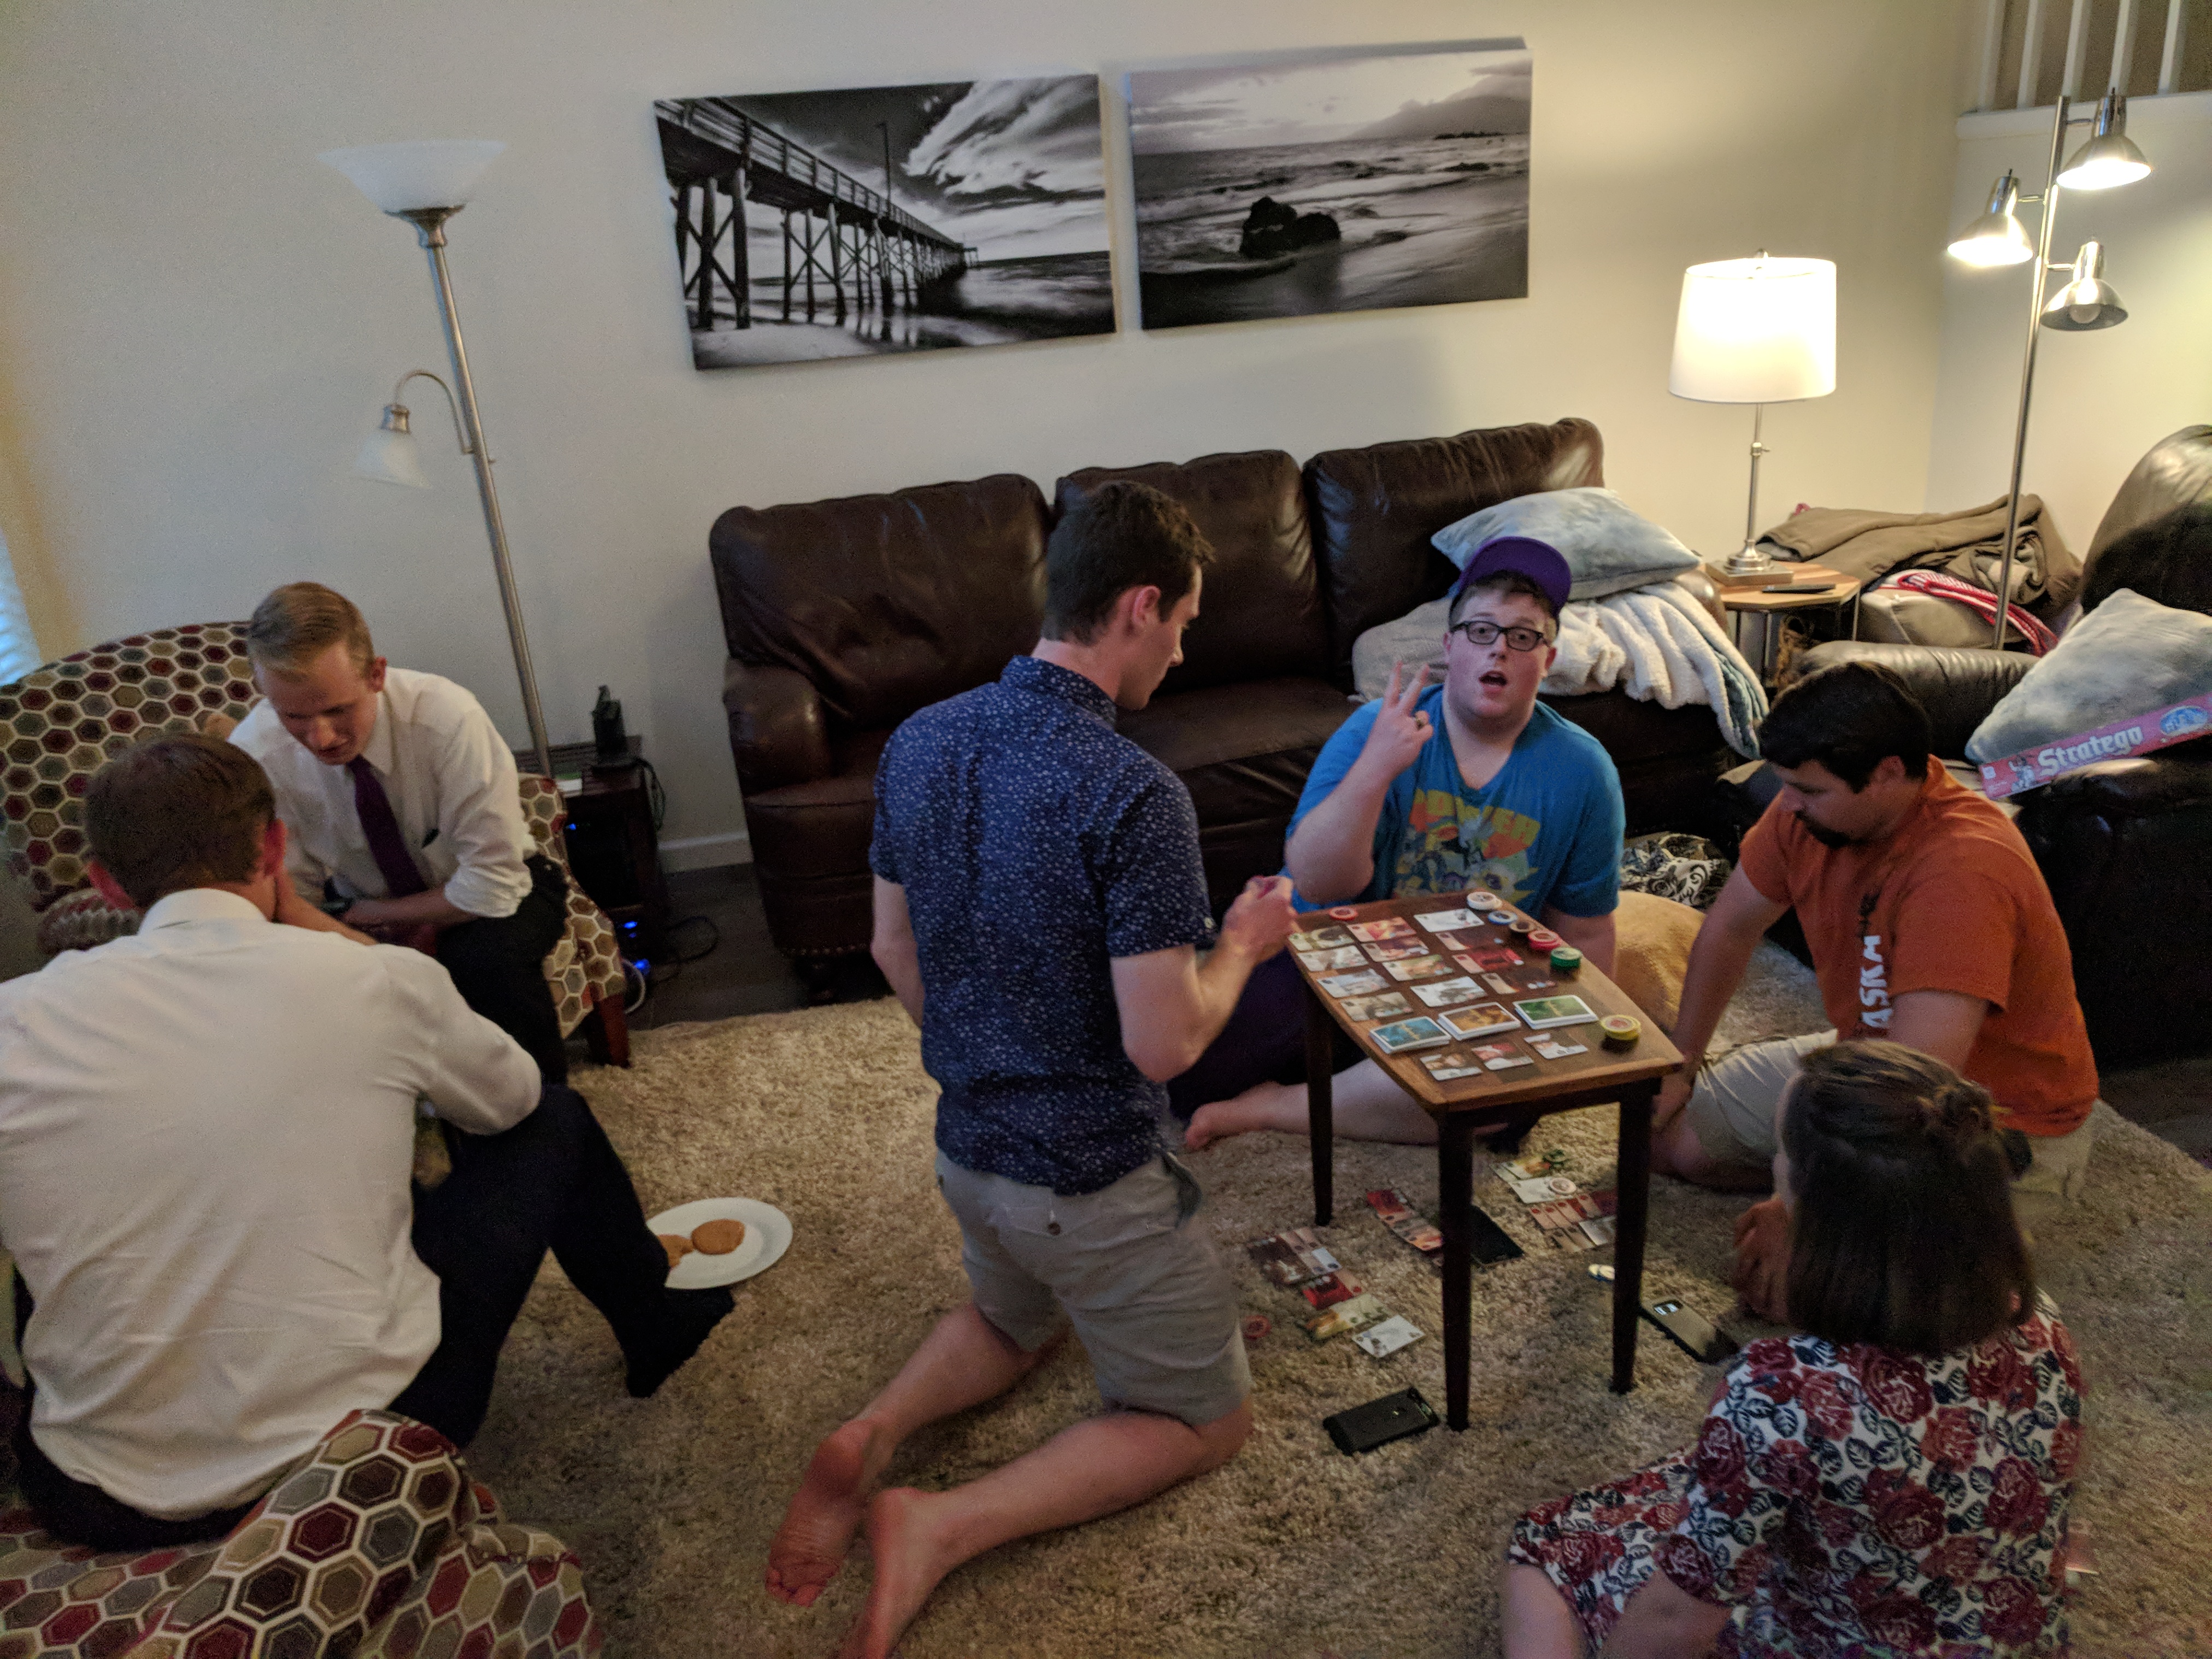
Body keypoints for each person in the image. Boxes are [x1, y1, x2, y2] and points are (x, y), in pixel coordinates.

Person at [764, 480, 1298, 1659]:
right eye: (1182, 624)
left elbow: (889, 947)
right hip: (1089, 1182)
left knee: (1012, 1319)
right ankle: (938, 1521)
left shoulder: (919, 741)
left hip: (969, 1153)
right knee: (1202, 1421)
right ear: (1139, 606)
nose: (1180, 652)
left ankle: (874, 1428)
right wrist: (1241, 946)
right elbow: (1165, 1045)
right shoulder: (1133, 794)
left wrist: (983, 1059)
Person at [0, 734, 728, 1550]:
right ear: (273, 847)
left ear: (105, 882)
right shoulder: (379, 982)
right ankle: (657, 1326)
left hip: (92, 1493)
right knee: (555, 1118)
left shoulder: (11, 1022)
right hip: (360, 1457)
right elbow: (512, 1099)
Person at [1502, 1041, 2081, 1658]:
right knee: (1695, 1477)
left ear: (1815, 1206)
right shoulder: (2038, 1318)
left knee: (1550, 1539)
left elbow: (1675, 1622)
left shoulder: (1780, 1391)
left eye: (1778, 1154)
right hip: (2012, 1639)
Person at [1650, 661, 2099, 1317]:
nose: (1787, 804)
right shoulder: (1805, 812)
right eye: (1786, 785)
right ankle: (1872, 1220)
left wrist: (1796, 1205)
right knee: (1670, 1140)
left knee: (1819, 1299)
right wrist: (1681, 1063)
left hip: (1980, 1118)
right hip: (1864, 1060)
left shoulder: (1962, 871)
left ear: (1888, 773)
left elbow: (1912, 1090)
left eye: (1808, 790)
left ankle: (1956, 1237)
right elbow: (1729, 929)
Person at [1176, 536, 1626, 1151]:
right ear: (1449, 647)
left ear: (1547, 659)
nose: (1499, 647)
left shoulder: (1584, 770)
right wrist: (1376, 768)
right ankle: (1375, 1089)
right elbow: (1316, 882)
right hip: (1336, 963)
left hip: (1475, 986)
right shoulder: (1375, 727)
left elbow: (1586, 931)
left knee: (1521, 1091)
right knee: (1189, 1077)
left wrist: (1580, 1036)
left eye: (1523, 636)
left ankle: (1282, 1108)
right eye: (1480, 631)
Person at [230, 581, 575, 1083]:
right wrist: (352, 934)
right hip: (354, 908)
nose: (320, 738)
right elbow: (292, 898)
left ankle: (540, 1108)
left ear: (376, 674)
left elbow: (494, 884)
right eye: (294, 717)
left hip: (500, 891)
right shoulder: (255, 756)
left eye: (337, 710)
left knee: (485, 964)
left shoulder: (448, 718)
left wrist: (374, 918)